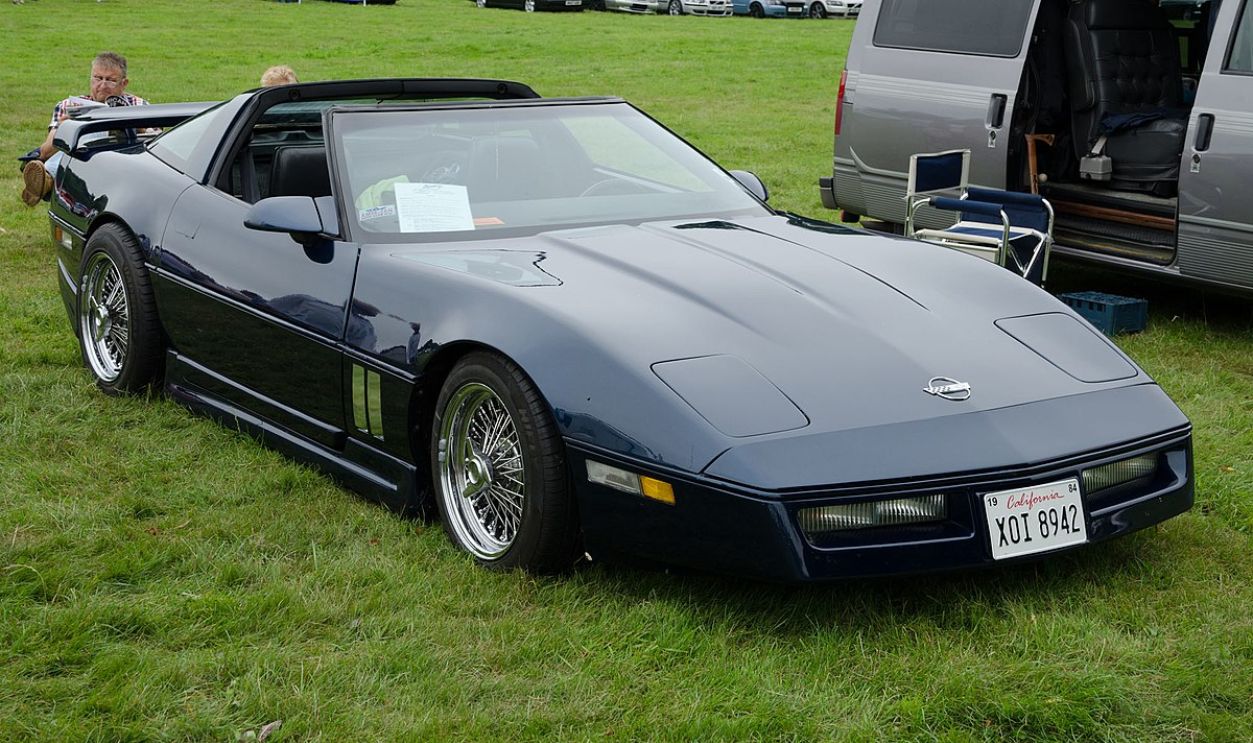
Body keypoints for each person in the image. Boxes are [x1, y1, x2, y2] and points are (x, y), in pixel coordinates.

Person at [21, 51, 148, 207]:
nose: (102, 85)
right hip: (83, 160)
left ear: (124, 83)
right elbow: (46, 151)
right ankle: (44, 180)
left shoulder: (137, 105)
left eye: (110, 80)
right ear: (90, 78)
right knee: (70, 148)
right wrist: (65, 129)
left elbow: (157, 139)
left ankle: (46, 182)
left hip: (122, 159)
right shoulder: (68, 106)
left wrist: (139, 126)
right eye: (98, 78)